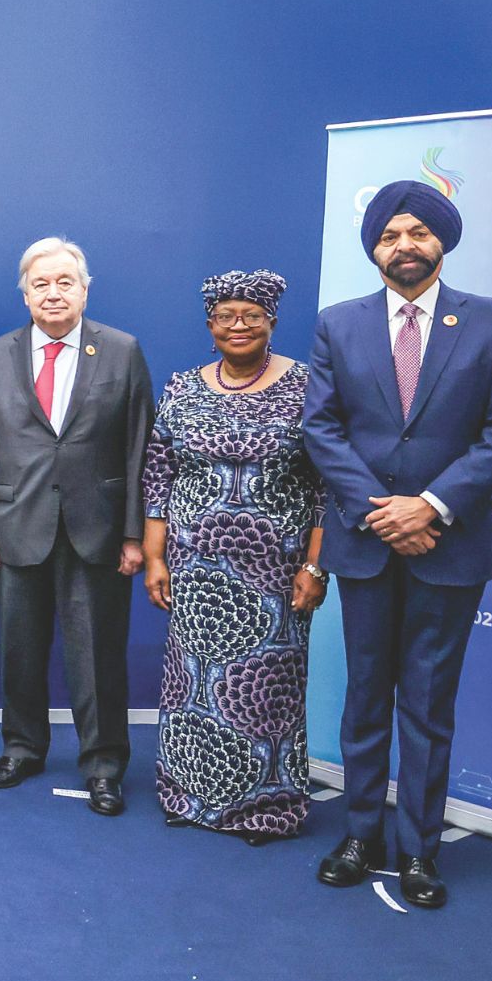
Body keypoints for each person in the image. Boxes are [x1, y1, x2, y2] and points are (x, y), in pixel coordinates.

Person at [304, 181, 492, 908]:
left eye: (417, 233)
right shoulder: (338, 325)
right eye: (388, 235)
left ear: (442, 240)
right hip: (368, 542)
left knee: (429, 704)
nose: (403, 245)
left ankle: (419, 851)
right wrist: (383, 511)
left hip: (450, 542)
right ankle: (361, 833)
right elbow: (321, 428)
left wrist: (429, 505)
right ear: (372, 248)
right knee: (367, 697)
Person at [0, 237, 152, 815]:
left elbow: (141, 448)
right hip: (17, 525)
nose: (53, 292)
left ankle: (104, 763)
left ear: (85, 289)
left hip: (98, 527)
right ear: (25, 294)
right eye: (41, 283)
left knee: (97, 655)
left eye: (65, 281)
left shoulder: (121, 351)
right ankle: (22, 747)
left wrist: (135, 534)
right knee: (19, 650)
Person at [141, 270, 326, 844]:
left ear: (272, 320)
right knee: (195, 684)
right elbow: (158, 471)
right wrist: (154, 554)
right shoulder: (183, 387)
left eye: (251, 315)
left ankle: (263, 807)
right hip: (196, 568)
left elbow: (327, 486)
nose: (238, 325)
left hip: (274, 573)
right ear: (210, 324)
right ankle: (191, 795)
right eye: (226, 316)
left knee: (263, 689)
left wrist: (315, 565)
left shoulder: (308, 386)